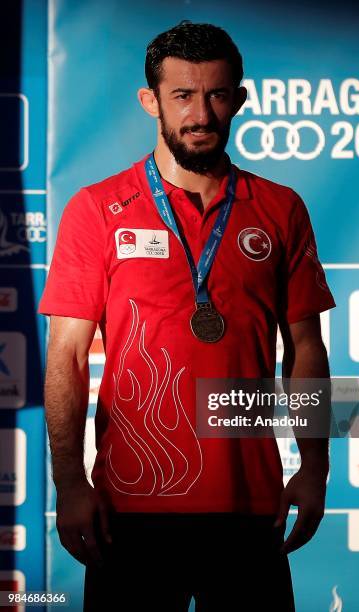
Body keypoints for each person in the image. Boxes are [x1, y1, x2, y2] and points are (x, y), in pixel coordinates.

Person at [38, 20, 336, 612]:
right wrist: (70, 482)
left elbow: (306, 348)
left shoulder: (279, 208)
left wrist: (316, 466)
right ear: (151, 101)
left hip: (251, 507)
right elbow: (66, 357)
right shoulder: (97, 208)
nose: (201, 114)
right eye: (182, 96)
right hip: (131, 507)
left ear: (240, 100)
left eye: (218, 95)